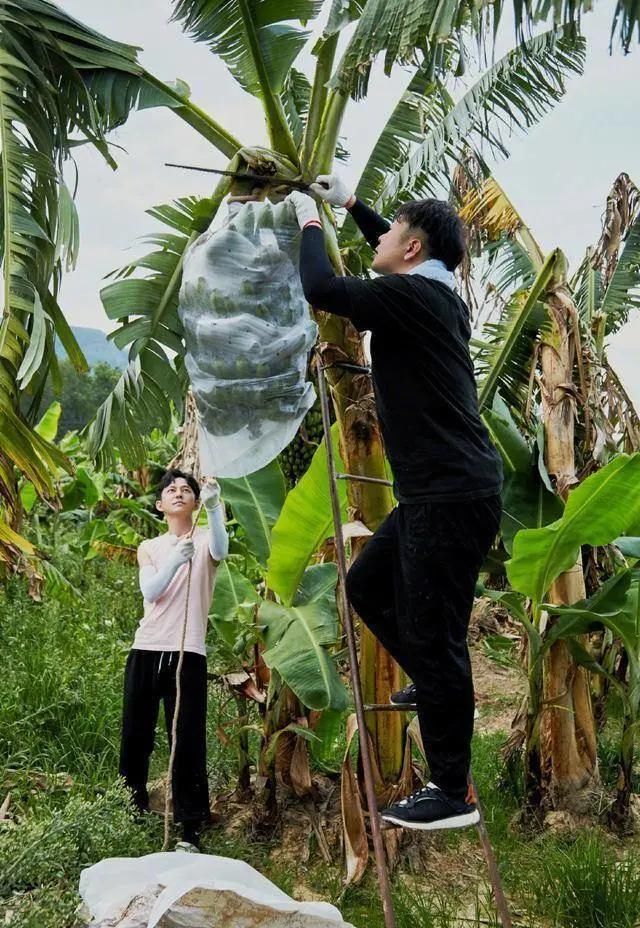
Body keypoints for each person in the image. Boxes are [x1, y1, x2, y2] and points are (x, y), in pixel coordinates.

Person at [286, 177, 503, 831]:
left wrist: (309, 220)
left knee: (437, 639)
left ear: (411, 249)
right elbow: (390, 242)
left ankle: (451, 791)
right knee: (367, 586)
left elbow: (323, 290)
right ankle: (436, 689)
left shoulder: (411, 296)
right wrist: (351, 203)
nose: (378, 241)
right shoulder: (437, 294)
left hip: (449, 494)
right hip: (439, 493)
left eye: (390, 233)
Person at [119, 469, 229, 847]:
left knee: (185, 740)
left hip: (188, 653)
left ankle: (190, 829)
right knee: (135, 735)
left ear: (195, 502)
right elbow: (151, 590)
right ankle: (127, 808)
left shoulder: (204, 540)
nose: (179, 493)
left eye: (187, 490)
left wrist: (214, 506)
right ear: (160, 504)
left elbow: (221, 549)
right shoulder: (150, 547)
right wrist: (174, 561)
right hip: (147, 648)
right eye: (171, 489)